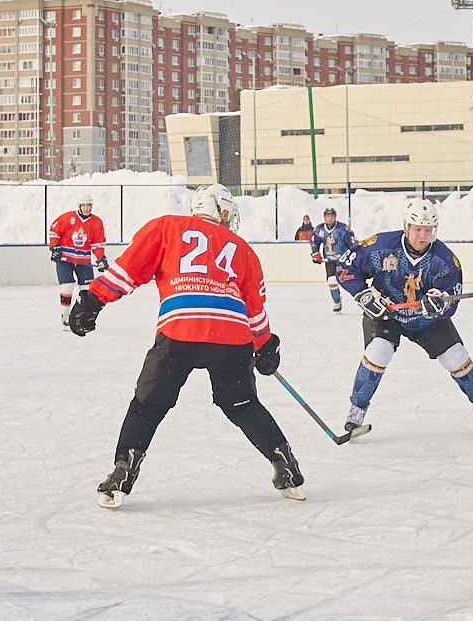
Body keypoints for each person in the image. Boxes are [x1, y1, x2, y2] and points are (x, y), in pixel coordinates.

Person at [67, 183, 303, 509]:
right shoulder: (242, 248)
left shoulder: (167, 227)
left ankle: (124, 469)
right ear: (221, 210)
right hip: (232, 337)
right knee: (242, 404)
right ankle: (285, 463)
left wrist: (93, 300)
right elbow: (254, 308)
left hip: (180, 330)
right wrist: (264, 345)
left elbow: (128, 270)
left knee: (148, 404)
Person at [338, 197, 473, 437]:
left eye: (428, 230)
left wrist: (439, 303)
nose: (422, 236)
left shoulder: (445, 260)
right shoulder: (380, 246)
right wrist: (363, 295)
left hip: (425, 320)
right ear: (406, 227)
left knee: (456, 357)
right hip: (387, 315)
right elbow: (345, 268)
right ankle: (356, 411)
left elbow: (452, 300)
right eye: (418, 229)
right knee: (379, 351)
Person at [48, 194, 109, 329]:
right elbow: (54, 232)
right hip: (65, 258)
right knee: (68, 285)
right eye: (84, 205)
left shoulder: (96, 222)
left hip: (83, 260)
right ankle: (65, 316)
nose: (86, 208)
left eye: (89, 206)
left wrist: (100, 258)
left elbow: (98, 243)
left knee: (87, 290)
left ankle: (81, 316)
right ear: (79, 206)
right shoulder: (67, 218)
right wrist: (55, 247)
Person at [310, 205, 357, 312]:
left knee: (352, 282)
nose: (330, 218)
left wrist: (353, 254)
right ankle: (337, 302)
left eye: (332, 216)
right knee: (332, 281)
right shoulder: (319, 229)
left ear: (335, 217)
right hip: (330, 261)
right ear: (324, 217)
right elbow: (314, 241)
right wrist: (315, 253)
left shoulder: (343, 229)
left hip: (344, 261)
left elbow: (353, 243)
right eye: (327, 216)